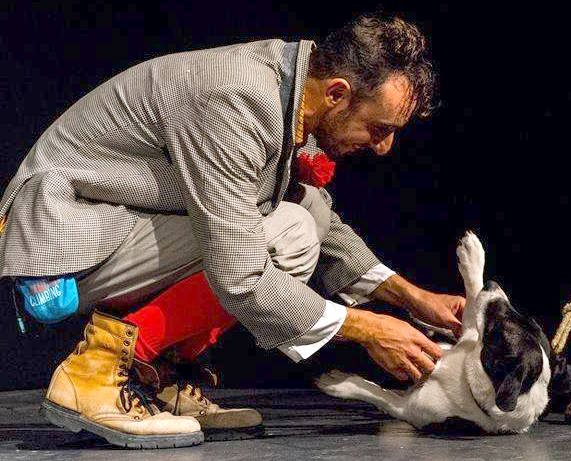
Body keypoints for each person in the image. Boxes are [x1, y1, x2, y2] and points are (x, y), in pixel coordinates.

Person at [0, 13, 464, 449]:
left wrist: (410, 297)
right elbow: (240, 275)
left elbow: (317, 220)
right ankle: (95, 371)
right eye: (379, 128)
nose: (384, 147)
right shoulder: (237, 100)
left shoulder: (285, 88)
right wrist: (367, 329)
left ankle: (155, 374)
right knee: (288, 233)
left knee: (309, 213)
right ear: (337, 94)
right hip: (62, 240)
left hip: (114, 225)